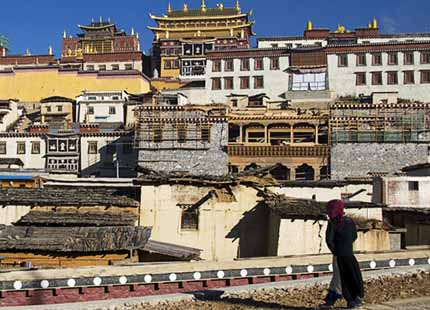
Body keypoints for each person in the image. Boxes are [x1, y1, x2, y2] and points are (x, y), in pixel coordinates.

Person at [325, 200, 364, 308]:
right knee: (351, 276)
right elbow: (354, 236)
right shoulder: (350, 221)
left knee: (341, 279)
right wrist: (346, 246)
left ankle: (350, 300)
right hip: (349, 255)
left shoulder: (332, 223)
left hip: (339, 256)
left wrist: (336, 250)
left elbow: (329, 240)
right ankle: (331, 299)